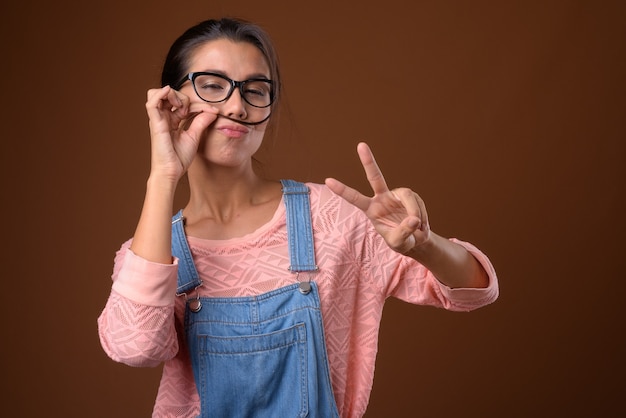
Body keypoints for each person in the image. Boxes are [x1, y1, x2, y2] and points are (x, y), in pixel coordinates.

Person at [97, 17, 499, 418]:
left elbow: (476, 289)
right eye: (214, 85)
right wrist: (163, 176)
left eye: (255, 90)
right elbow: (136, 349)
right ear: (173, 99)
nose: (237, 106)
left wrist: (426, 245)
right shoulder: (152, 252)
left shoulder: (331, 218)